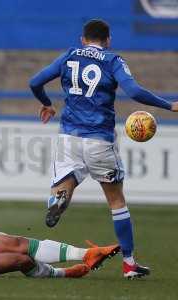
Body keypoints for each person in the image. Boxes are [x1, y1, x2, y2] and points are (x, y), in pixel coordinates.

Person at [29, 19, 178, 279]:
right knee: (117, 202)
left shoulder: (70, 55)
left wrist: (47, 103)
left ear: (83, 39)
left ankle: (58, 200)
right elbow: (133, 90)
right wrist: (168, 105)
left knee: (65, 182)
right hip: (99, 139)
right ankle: (129, 264)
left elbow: (35, 81)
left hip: (68, 138)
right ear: (108, 40)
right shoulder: (112, 60)